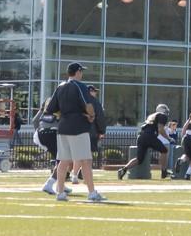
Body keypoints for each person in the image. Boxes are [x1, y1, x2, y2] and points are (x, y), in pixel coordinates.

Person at [46, 62, 105, 202]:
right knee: (85, 160)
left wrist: (66, 113)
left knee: (63, 161)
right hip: (78, 127)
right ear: (78, 72)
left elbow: (50, 108)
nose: (82, 74)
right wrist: (91, 116)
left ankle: (60, 193)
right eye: (81, 71)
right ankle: (92, 193)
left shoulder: (60, 86)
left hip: (63, 127)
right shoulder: (80, 86)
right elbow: (88, 105)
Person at [117, 104, 171, 180]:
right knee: (164, 150)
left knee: (139, 159)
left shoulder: (151, 116)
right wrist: (169, 138)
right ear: (162, 110)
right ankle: (164, 172)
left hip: (141, 136)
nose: (166, 113)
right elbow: (160, 129)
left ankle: (123, 169)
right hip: (150, 136)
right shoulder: (162, 115)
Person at [35, 96, 62, 194]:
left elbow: (35, 120)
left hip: (41, 132)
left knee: (60, 160)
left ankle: (61, 183)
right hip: (54, 132)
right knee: (63, 160)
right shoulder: (62, 100)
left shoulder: (47, 101)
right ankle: (49, 184)